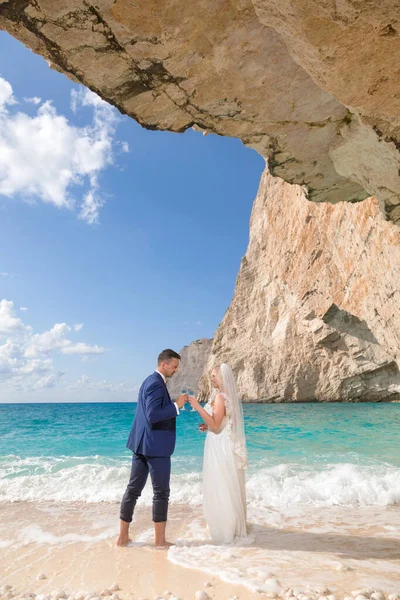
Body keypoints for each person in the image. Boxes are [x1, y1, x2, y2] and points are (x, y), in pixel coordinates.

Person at [117, 349, 188, 548]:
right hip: (155, 447)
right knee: (161, 493)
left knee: (132, 491)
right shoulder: (156, 384)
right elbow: (152, 415)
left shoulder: (148, 381)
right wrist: (176, 406)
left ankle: (123, 538)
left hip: (142, 444)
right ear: (163, 364)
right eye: (174, 366)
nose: (176, 371)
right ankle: (159, 541)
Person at [189, 363, 248, 544]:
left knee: (220, 484)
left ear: (222, 378)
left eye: (214, 376)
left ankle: (225, 529)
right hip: (222, 442)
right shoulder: (224, 396)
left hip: (219, 445)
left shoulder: (221, 397)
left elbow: (215, 427)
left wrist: (198, 407)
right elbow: (220, 422)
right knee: (225, 483)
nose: (212, 378)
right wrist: (207, 425)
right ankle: (232, 526)